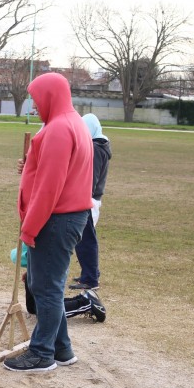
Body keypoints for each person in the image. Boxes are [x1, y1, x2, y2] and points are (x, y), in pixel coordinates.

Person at [3, 72, 93, 372]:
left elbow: (50, 187)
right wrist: (31, 163)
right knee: (46, 284)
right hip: (67, 217)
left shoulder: (58, 129)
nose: (34, 106)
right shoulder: (73, 123)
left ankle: (42, 353)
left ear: (50, 97)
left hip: (56, 219)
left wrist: (30, 228)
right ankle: (62, 348)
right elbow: (54, 172)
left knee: (46, 288)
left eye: (37, 99)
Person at [70, 113, 112, 290]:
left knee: (86, 240)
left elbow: (90, 179)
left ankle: (90, 278)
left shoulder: (95, 149)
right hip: (91, 199)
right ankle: (89, 273)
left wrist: (81, 198)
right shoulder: (100, 146)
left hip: (88, 200)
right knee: (84, 239)